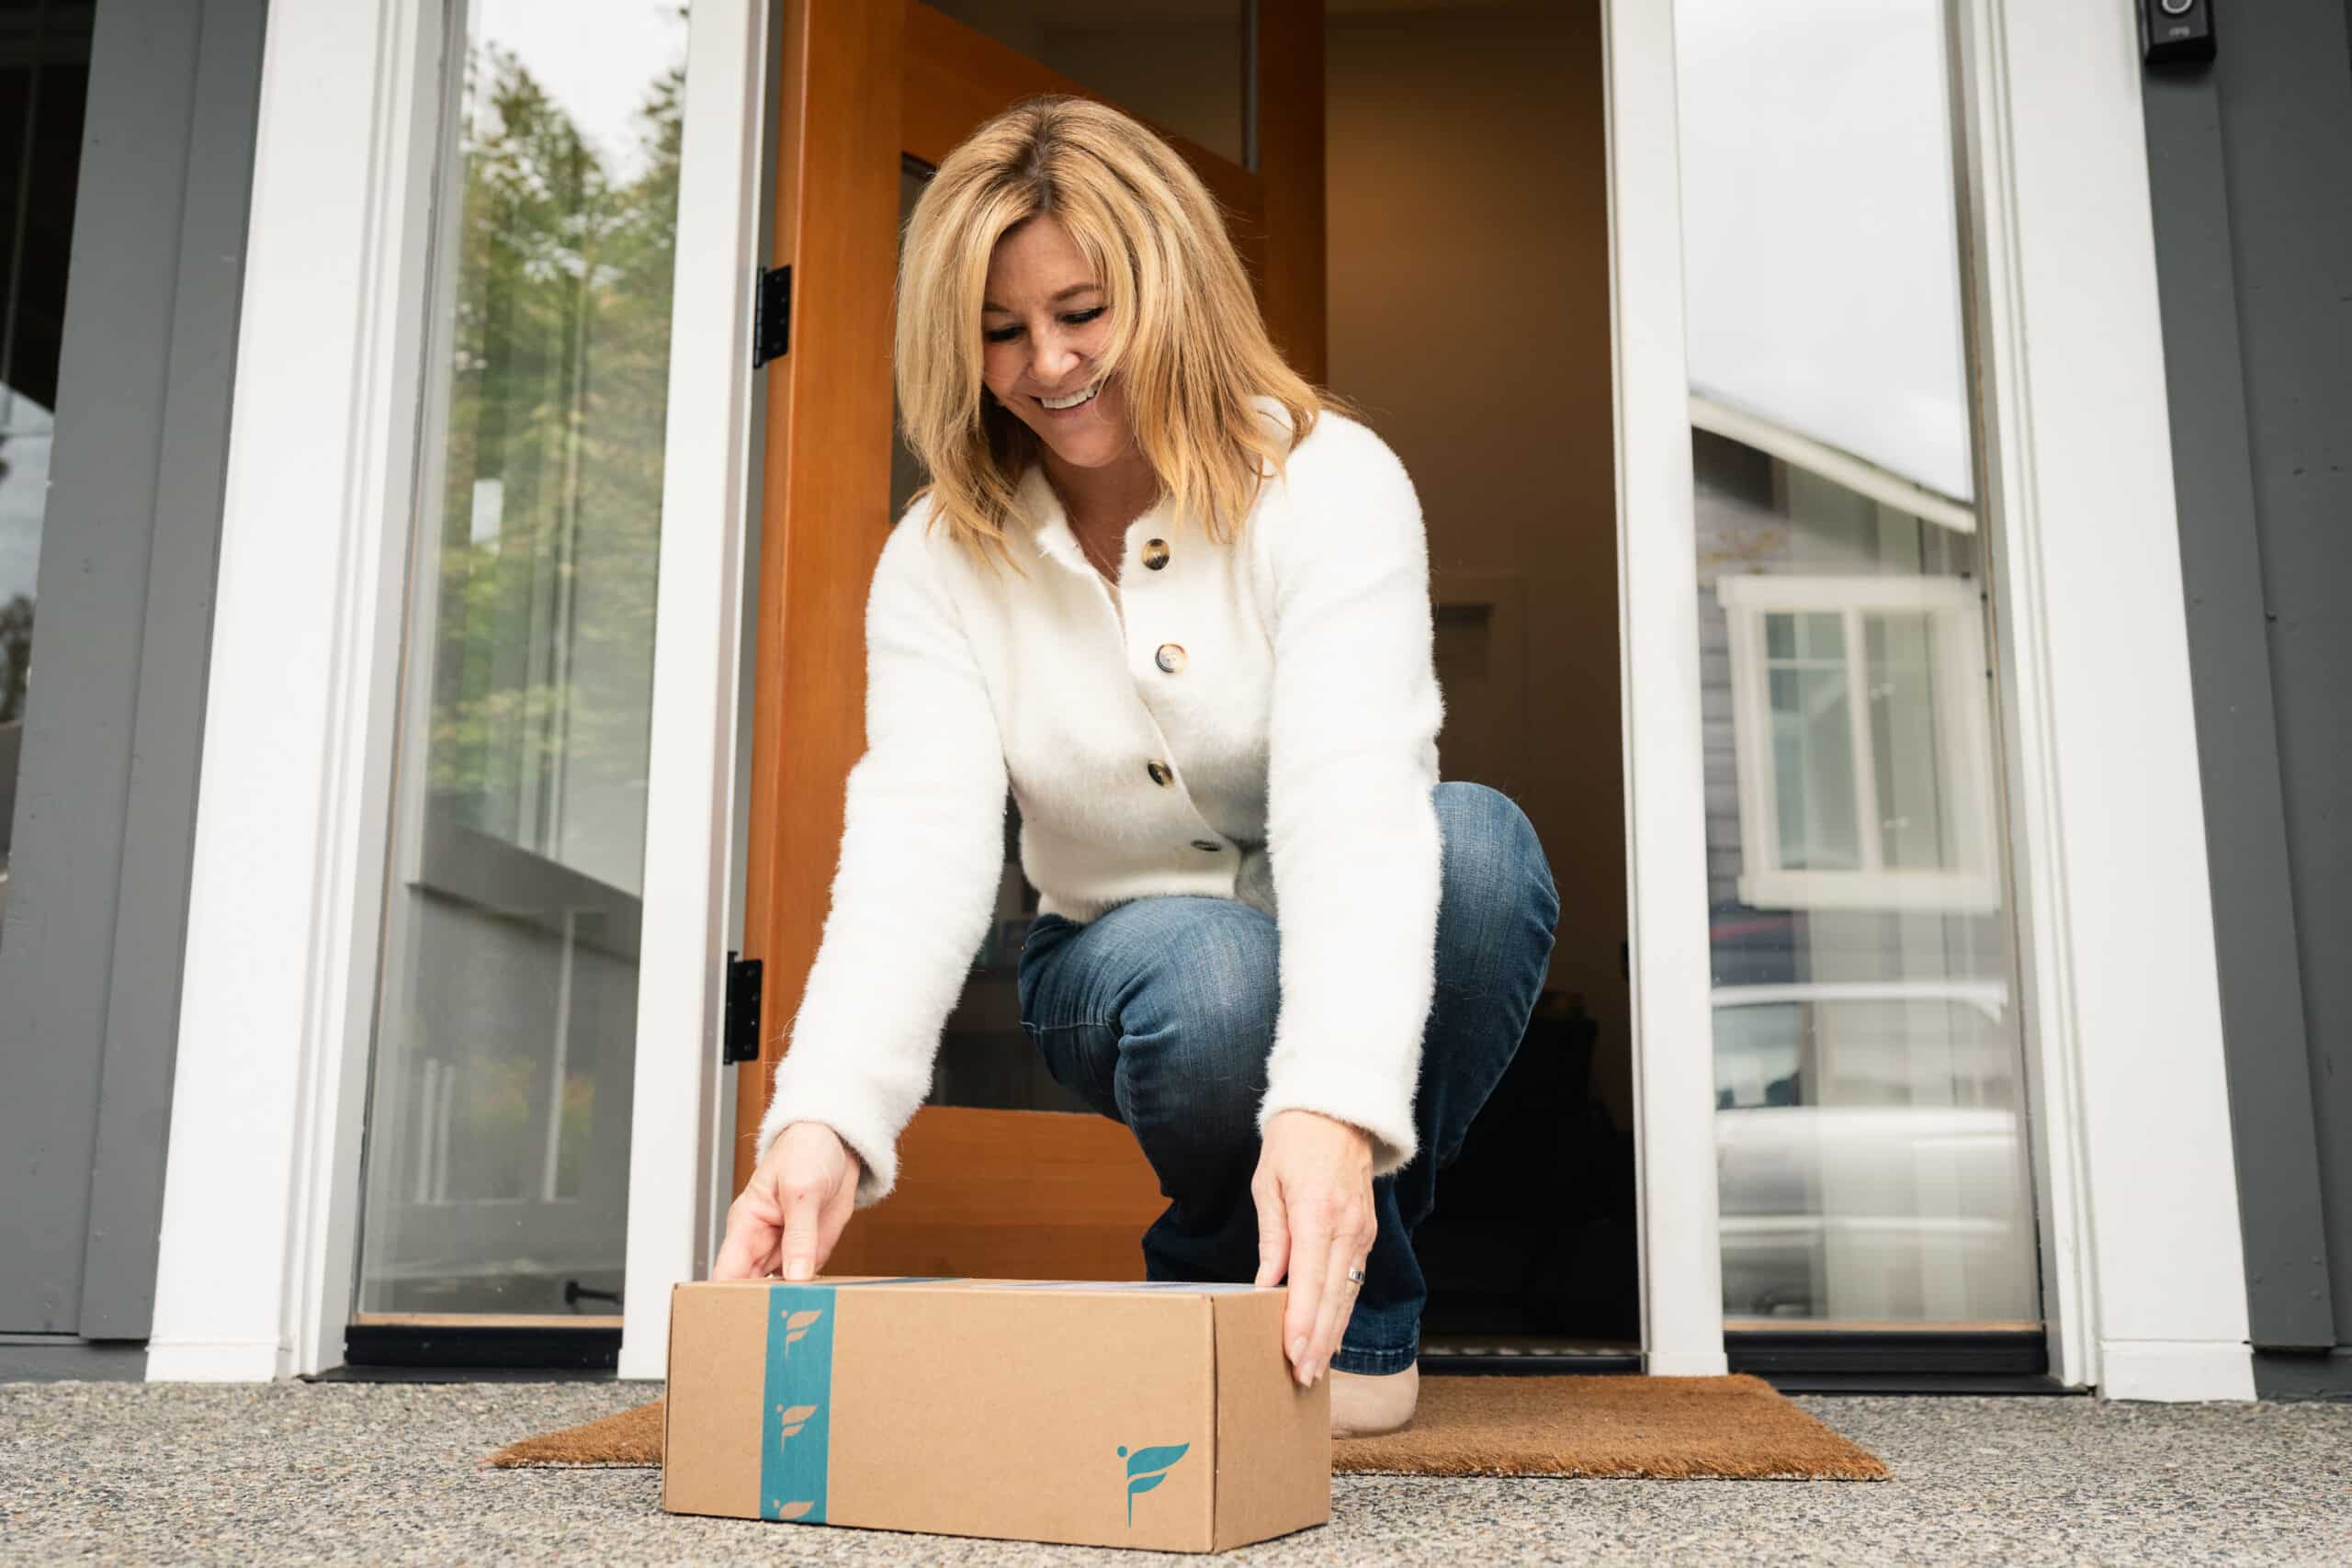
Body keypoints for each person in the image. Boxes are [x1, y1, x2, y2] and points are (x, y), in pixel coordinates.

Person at [711, 96, 1559, 1439]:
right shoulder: (940, 557)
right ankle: (1262, 1278)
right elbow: (915, 852)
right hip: (1113, 960)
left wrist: (1335, 1113)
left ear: (1166, 284)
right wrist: (819, 1125)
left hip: (1331, 902)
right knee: (1222, 980)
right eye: (998, 330)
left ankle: (1328, 1289)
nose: (1046, 364)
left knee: (1478, 846)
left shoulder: (1332, 485)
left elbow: (1355, 805)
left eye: (1081, 310)